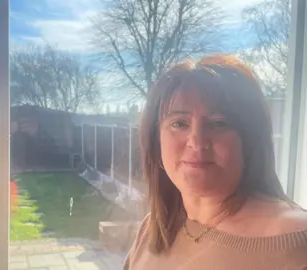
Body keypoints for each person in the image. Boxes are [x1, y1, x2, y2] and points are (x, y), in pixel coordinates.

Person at [124, 55, 307, 270]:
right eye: (179, 123)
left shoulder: (296, 247)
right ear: (156, 140)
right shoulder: (153, 229)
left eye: (218, 123)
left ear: (250, 140)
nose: (197, 142)